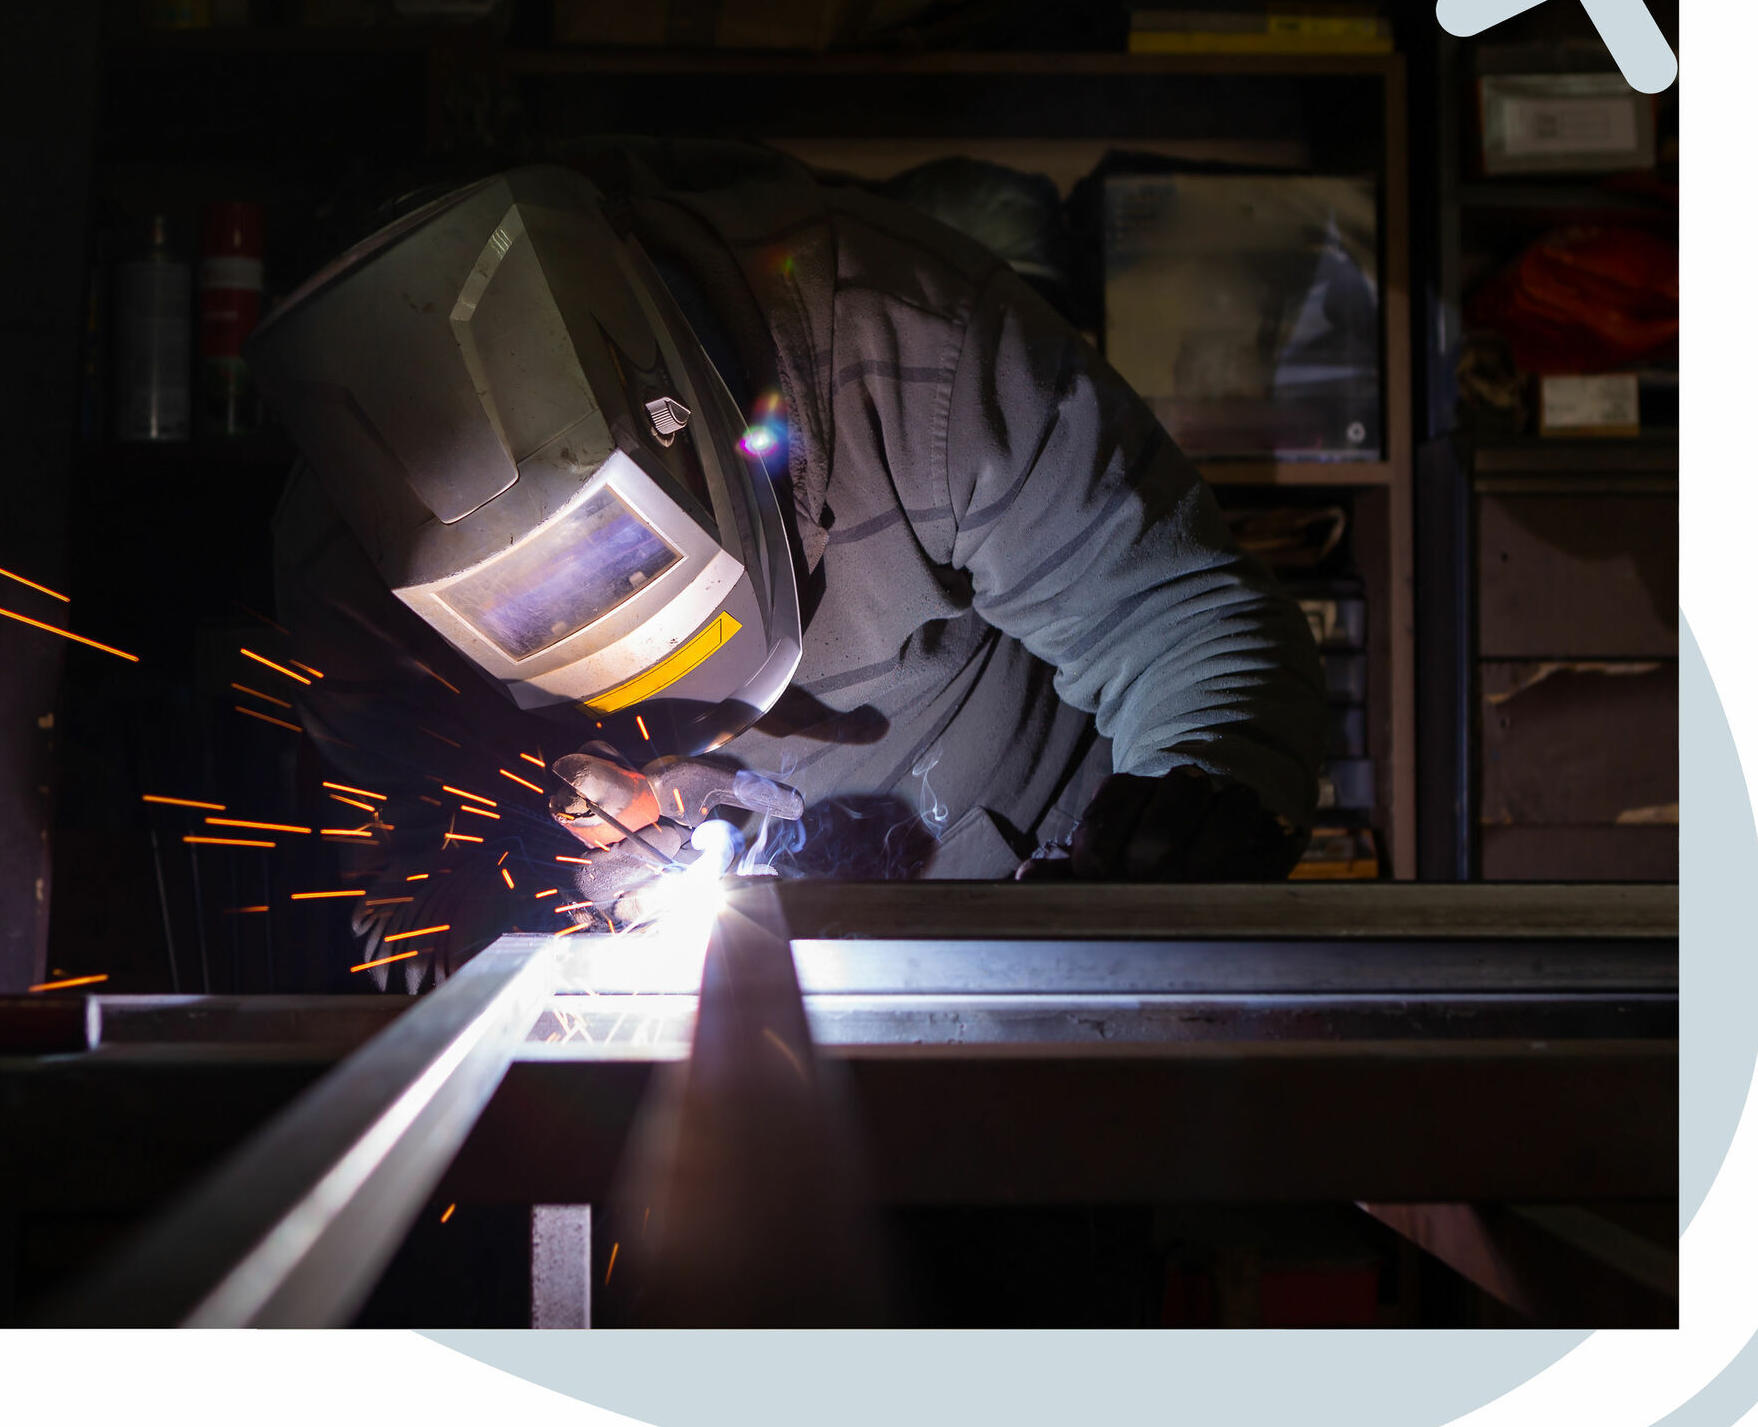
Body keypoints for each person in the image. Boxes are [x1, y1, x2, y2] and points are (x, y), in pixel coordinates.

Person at [250, 141, 1326, 989]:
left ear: (682, 413)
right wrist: (534, 891)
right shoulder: (349, 571)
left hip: (1035, 946)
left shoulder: (912, 345)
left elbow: (1177, 620)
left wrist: (1191, 813)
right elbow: (407, 895)